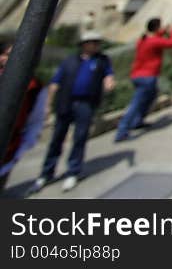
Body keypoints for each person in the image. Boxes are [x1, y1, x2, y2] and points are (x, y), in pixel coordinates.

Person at [29, 31, 115, 194]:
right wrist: (47, 106)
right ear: (84, 44)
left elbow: (109, 76)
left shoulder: (102, 61)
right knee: (57, 139)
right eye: (93, 42)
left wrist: (109, 83)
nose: (96, 45)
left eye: (97, 42)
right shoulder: (70, 61)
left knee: (80, 138)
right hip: (65, 103)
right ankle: (46, 173)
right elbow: (55, 83)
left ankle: (73, 171)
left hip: (86, 104)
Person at [115, 18, 172, 142]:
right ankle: (122, 131)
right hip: (147, 77)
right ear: (156, 28)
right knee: (136, 103)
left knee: (150, 97)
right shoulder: (154, 41)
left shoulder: (143, 40)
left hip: (138, 75)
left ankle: (137, 121)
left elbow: (157, 37)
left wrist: (162, 31)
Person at [0, 37, 48, 192]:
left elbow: (35, 121)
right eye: (8, 55)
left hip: (6, 155)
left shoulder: (35, 87)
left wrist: (20, 151)